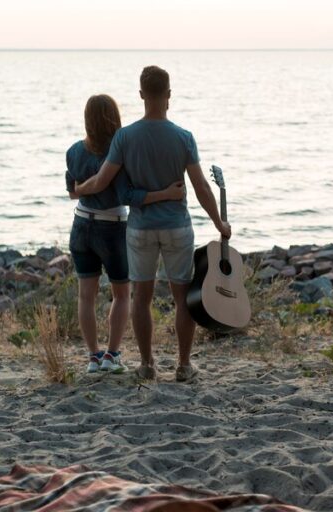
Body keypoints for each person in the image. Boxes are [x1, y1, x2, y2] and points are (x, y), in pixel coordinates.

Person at [76, 66, 231, 382]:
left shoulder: (124, 137)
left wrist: (79, 189)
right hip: (177, 227)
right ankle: (184, 365)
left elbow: (103, 179)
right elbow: (201, 186)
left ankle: (147, 365)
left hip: (140, 230)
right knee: (182, 298)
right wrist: (219, 222)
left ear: (142, 95)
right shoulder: (183, 137)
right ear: (169, 95)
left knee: (141, 299)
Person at [66, 94, 185, 374]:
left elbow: (73, 192)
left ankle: (93, 358)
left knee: (86, 296)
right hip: (112, 227)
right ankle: (112, 355)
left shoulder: (73, 150)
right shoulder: (118, 152)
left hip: (81, 224)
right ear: (113, 118)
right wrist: (166, 193)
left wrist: (84, 189)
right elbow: (128, 195)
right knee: (121, 295)